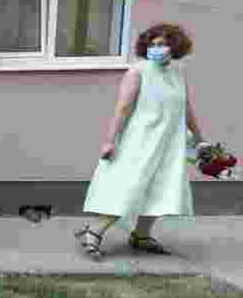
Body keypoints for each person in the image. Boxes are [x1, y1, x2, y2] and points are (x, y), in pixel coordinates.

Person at [75, 23, 205, 261]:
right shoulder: (137, 71)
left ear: (175, 46)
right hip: (140, 141)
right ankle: (93, 232)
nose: (157, 48)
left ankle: (141, 235)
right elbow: (123, 108)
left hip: (168, 144)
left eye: (163, 44)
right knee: (130, 187)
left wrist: (199, 138)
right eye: (152, 44)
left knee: (162, 188)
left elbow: (185, 106)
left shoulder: (178, 71)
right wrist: (109, 141)